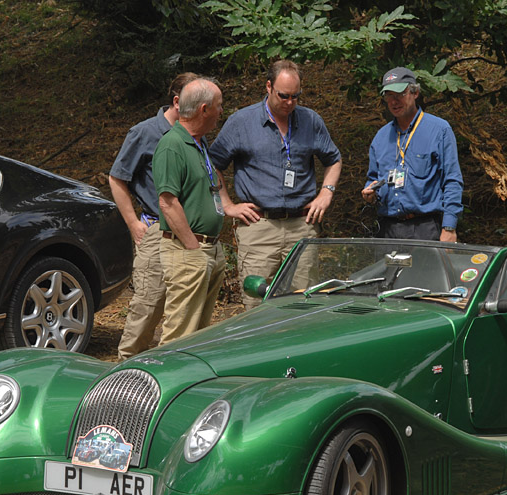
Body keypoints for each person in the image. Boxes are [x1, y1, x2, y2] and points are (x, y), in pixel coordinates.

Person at [210, 60, 342, 308]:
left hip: (302, 226)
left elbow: (333, 159)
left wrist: (327, 192)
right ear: (268, 87)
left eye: (296, 96)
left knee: (304, 302)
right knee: (256, 304)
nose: (290, 103)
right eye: (284, 96)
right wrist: (227, 204)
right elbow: (212, 164)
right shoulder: (242, 122)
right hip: (259, 226)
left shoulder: (310, 120)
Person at [109, 72, 198, 360]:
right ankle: (123, 373)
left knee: (181, 312)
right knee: (147, 309)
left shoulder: (194, 133)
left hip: (188, 233)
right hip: (156, 232)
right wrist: (134, 223)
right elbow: (117, 178)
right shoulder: (145, 132)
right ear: (176, 100)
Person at [152, 77, 234, 343]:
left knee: (199, 336)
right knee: (179, 336)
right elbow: (168, 202)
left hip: (208, 249)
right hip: (188, 252)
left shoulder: (199, 141)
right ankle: (167, 382)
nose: (222, 111)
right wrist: (194, 249)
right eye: (219, 106)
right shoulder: (171, 145)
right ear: (204, 109)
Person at [362, 67, 464, 242]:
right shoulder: (381, 137)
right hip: (388, 229)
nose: (394, 101)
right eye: (389, 96)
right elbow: (373, 177)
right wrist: (371, 193)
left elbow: (452, 180)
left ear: (415, 92)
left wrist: (449, 227)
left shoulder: (439, 130)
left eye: (400, 94)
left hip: (425, 227)